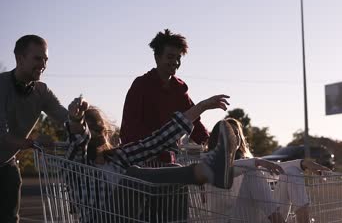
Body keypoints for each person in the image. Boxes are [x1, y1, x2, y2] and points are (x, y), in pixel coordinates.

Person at [66, 94, 237, 222]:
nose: (97, 133)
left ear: (105, 130)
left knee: (173, 171)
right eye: (90, 129)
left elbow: (157, 141)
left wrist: (201, 106)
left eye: (98, 127)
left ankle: (206, 173)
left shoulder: (118, 157)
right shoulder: (76, 165)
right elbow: (79, 141)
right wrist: (76, 120)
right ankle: (205, 171)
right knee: (134, 176)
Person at [0, 35, 83, 223]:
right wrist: (33, 142)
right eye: (38, 58)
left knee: (10, 218)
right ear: (20, 59)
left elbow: (65, 119)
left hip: (6, 164)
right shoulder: (1, 85)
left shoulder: (42, 91)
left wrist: (78, 115)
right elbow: (2, 135)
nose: (43, 64)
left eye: (45, 59)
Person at [207, 118, 330, 223]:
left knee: (291, 172)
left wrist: (303, 163)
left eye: (237, 133)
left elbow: (274, 170)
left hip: (257, 217)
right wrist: (257, 162)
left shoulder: (246, 162)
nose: (235, 136)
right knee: (252, 172)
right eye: (229, 133)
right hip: (230, 219)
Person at [120, 29, 210, 163]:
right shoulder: (141, 85)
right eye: (170, 57)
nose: (175, 62)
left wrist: (212, 144)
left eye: (178, 58)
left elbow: (194, 122)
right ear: (157, 57)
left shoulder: (179, 89)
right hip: (141, 161)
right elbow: (129, 129)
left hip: (169, 161)